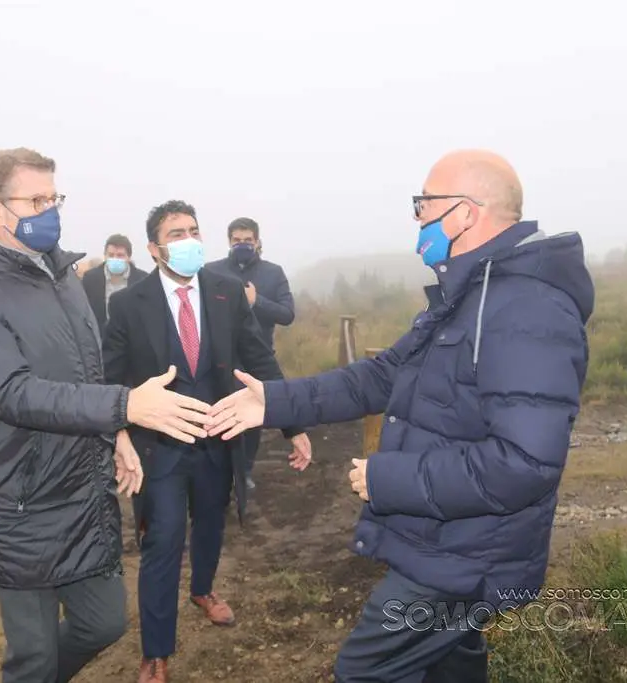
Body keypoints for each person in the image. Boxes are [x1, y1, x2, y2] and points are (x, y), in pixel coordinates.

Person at [206, 150, 595, 682]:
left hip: (464, 557)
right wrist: (274, 401)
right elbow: (382, 376)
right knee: (450, 666)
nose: (417, 218)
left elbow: (524, 463)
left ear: (464, 213)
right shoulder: (468, 294)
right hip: (448, 542)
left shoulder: (527, 309)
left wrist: (388, 478)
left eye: (423, 203)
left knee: (363, 671)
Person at [0, 148, 216, 683]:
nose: (51, 210)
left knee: (104, 623)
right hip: (18, 502)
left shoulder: (63, 278)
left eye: (54, 197)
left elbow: (89, 373)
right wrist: (126, 405)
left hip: (81, 489)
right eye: (36, 200)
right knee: (34, 656)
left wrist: (117, 434)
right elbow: (13, 394)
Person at [101, 199, 313, 683]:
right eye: (176, 234)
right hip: (161, 448)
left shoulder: (227, 292)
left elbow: (260, 362)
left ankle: (203, 589)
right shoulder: (128, 304)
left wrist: (293, 423)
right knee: (164, 539)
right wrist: (119, 435)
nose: (189, 240)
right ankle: (156, 651)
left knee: (213, 524)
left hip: (220, 441)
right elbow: (110, 379)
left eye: (194, 230)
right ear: (154, 249)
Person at [205, 217, 295, 490]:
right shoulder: (211, 271)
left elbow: (287, 314)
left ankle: (243, 472)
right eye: (236, 241)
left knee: (252, 420)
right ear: (229, 242)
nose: (242, 245)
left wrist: (258, 301)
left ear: (257, 242)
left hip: (258, 358)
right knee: (218, 415)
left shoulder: (273, 273)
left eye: (247, 240)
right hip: (219, 359)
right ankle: (219, 472)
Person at [82, 233, 148, 331]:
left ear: (129, 257)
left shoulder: (142, 280)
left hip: (132, 338)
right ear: (105, 256)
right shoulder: (90, 278)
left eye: (120, 255)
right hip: (100, 339)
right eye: (111, 255)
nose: (115, 259)